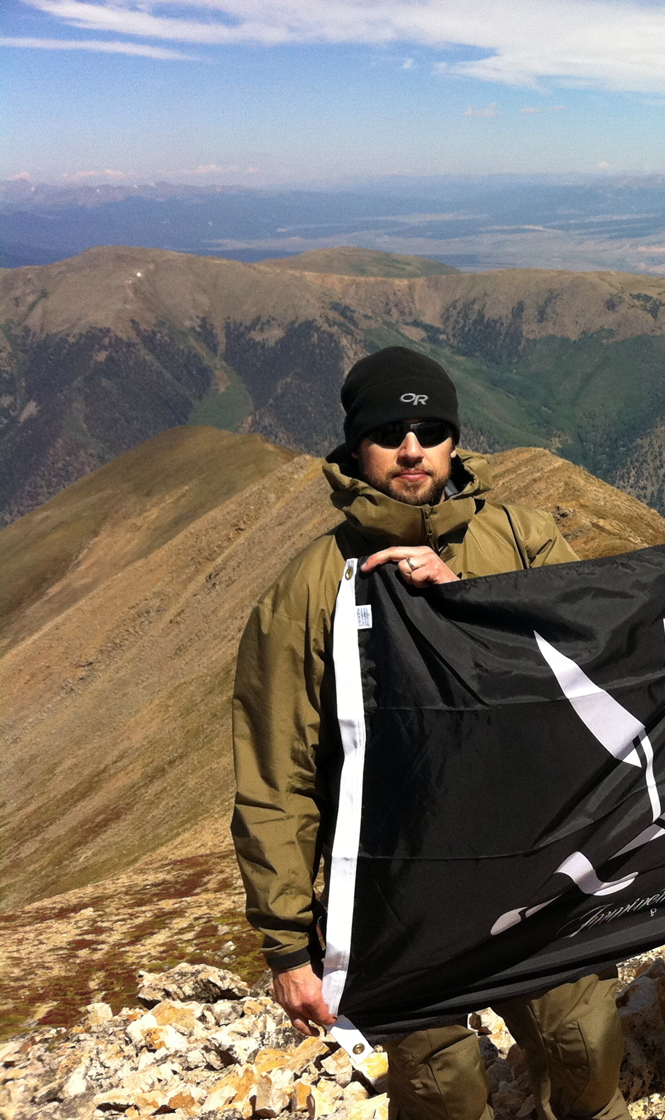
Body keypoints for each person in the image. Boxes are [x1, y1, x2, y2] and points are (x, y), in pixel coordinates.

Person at [232, 346, 628, 1120]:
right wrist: (287, 943)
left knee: (587, 1045)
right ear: (355, 449)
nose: (411, 448)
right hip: (398, 886)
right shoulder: (310, 589)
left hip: (534, 859)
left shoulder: (523, 541)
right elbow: (279, 776)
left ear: (454, 440)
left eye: (430, 427)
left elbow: (599, 666)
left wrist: (472, 605)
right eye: (388, 430)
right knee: (442, 1084)